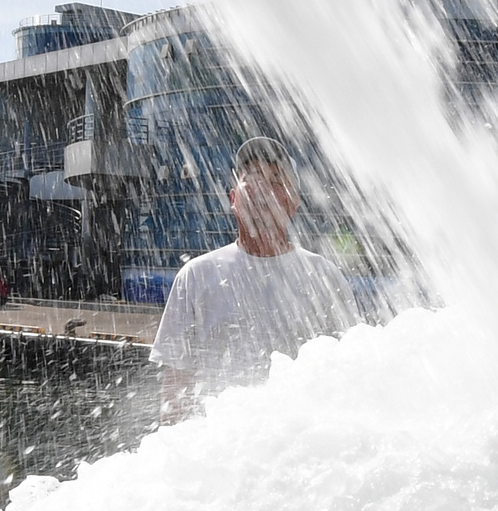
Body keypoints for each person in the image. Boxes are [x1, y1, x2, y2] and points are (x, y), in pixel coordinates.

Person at [152, 136, 359, 420]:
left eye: (276, 180)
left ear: (294, 203)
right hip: (219, 443)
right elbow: (176, 380)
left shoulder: (325, 277)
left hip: (300, 440)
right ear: (233, 198)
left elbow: (348, 372)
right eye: (253, 177)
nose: (263, 187)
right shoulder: (196, 276)